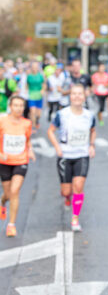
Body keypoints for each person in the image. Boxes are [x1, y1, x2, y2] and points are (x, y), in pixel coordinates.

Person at [47, 84, 96, 231]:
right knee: (66, 191)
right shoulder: (62, 114)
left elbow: (93, 131)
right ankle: (67, 198)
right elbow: (50, 131)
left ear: (84, 96)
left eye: (80, 94)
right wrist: (57, 147)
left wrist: (91, 145)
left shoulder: (89, 115)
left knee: (79, 187)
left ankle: (75, 218)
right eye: (74, 94)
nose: (77, 96)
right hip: (65, 155)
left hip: (82, 155)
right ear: (70, 96)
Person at [0, 96, 35, 237]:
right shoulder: (2, 121)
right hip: (5, 162)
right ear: (10, 106)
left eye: (21, 106)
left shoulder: (27, 123)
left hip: (21, 160)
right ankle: (3, 201)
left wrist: (30, 150)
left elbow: (27, 140)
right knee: (8, 193)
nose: (19, 108)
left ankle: (11, 224)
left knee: (15, 191)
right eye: (16, 105)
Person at [26, 61, 46, 130]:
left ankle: (36, 120)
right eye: (33, 67)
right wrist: (26, 91)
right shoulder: (29, 76)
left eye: (36, 67)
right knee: (32, 111)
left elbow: (44, 84)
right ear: (31, 68)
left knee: (38, 115)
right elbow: (27, 85)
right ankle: (33, 126)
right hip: (31, 95)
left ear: (38, 68)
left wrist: (43, 90)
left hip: (39, 96)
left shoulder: (40, 76)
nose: (34, 68)